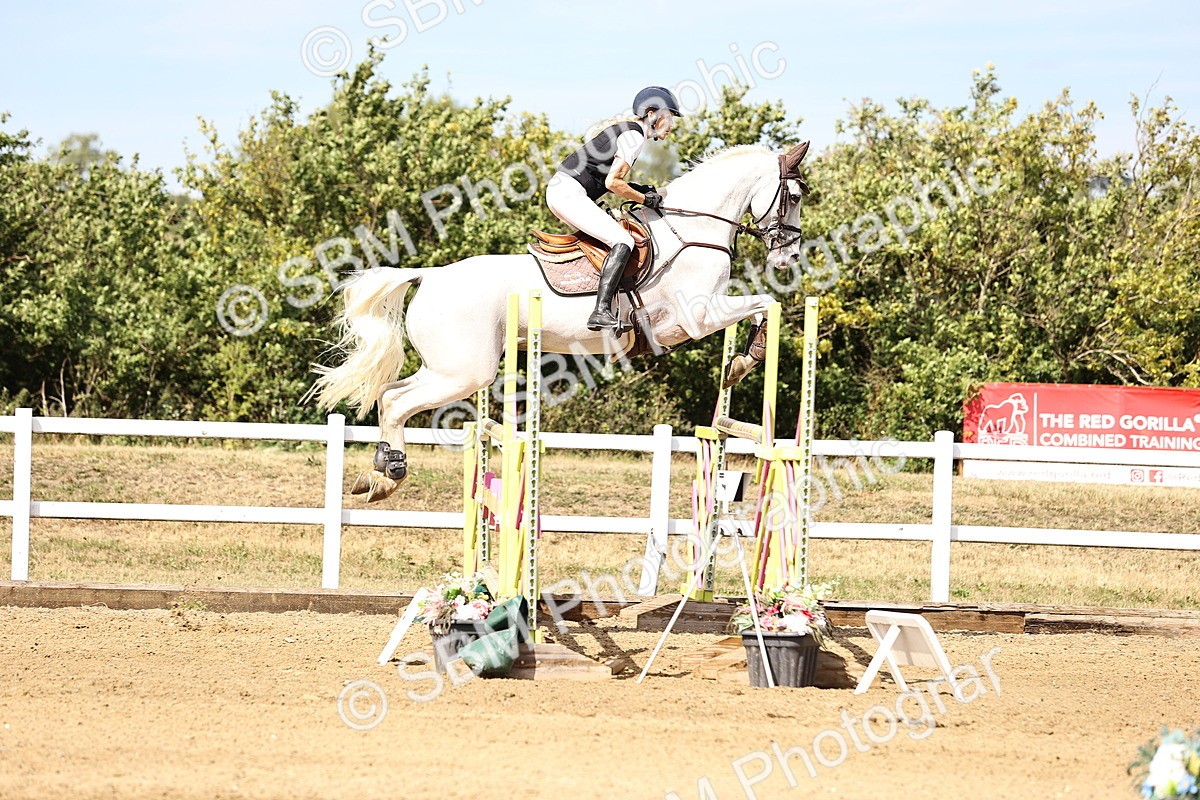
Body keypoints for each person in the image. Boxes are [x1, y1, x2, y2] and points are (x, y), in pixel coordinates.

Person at [546, 86, 683, 331]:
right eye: (669, 116)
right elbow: (613, 183)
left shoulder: (629, 132)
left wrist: (638, 188)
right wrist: (643, 198)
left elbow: (608, 180)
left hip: (565, 191)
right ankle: (600, 311)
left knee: (609, 238)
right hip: (568, 193)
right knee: (623, 240)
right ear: (652, 114)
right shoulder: (635, 136)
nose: (672, 124)